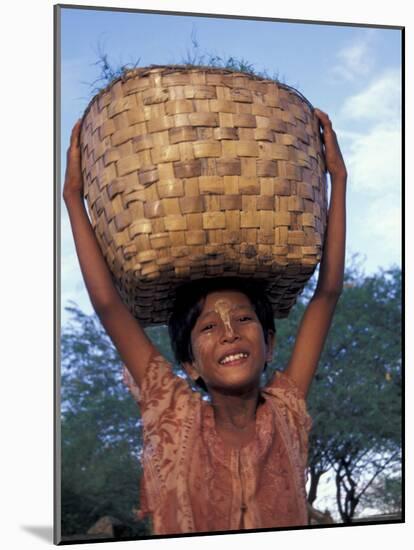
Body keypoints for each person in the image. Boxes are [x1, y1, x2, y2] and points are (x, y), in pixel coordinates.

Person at [63, 108, 347, 535]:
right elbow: (109, 306)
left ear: (269, 344)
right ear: (191, 365)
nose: (230, 332)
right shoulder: (173, 414)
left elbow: (327, 294)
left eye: (244, 319)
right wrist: (72, 197)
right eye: (209, 328)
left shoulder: (287, 413)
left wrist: (337, 180)